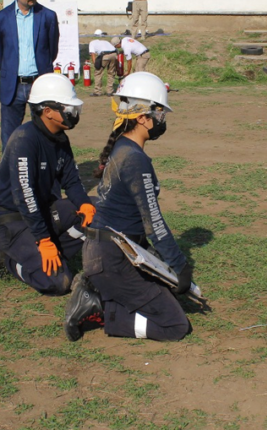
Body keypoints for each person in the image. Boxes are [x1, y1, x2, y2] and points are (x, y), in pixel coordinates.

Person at [63, 72, 192, 342]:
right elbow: (153, 222)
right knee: (175, 325)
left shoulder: (122, 147)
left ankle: (100, 289)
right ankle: (100, 307)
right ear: (143, 117)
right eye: (160, 113)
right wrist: (179, 266)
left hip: (111, 252)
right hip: (112, 258)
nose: (163, 120)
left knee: (162, 296)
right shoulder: (134, 159)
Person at [0, 74, 95, 296]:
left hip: (42, 212)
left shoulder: (60, 137)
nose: (73, 114)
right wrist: (43, 239)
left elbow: (71, 180)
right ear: (47, 110)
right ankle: (8, 259)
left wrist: (84, 204)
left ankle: (52, 253)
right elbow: (25, 196)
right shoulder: (24, 140)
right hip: (12, 221)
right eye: (67, 108)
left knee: (97, 212)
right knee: (59, 282)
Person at [0, 0, 60, 150]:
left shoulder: (48, 16)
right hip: (12, 86)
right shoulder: (0, 18)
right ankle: (12, 176)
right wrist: (11, 71)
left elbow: (52, 51)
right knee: (10, 140)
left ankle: (43, 175)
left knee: (46, 136)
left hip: (40, 84)